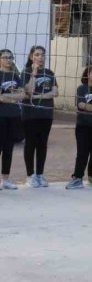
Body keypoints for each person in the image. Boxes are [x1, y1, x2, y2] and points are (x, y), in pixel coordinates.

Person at [66, 65, 92, 190]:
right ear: (88, 75)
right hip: (84, 125)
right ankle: (77, 178)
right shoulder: (82, 89)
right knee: (83, 152)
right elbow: (81, 105)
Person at [22, 45, 56, 188]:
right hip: (30, 115)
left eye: (42, 55)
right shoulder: (26, 72)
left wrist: (39, 96)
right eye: (37, 55)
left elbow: (55, 92)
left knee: (42, 144)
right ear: (31, 57)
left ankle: (40, 174)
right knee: (30, 143)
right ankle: (30, 175)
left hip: (46, 113)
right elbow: (28, 91)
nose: (40, 57)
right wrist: (34, 74)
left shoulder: (49, 73)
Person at [0, 49, 23, 190]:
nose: (8, 60)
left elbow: (22, 94)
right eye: (5, 57)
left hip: (14, 115)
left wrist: (7, 98)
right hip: (1, 116)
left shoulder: (15, 75)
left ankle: (6, 179)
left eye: (10, 57)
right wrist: (12, 97)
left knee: (9, 148)